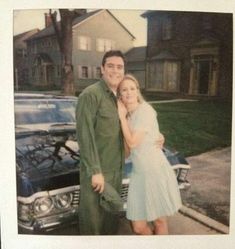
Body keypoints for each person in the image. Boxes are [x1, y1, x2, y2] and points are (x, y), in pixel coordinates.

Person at [117, 74, 182, 235]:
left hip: (155, 171)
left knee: (160, 221)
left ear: (138, 91)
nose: (129, 92)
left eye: (132, 88)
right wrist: (123, 120)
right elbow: (127, 153)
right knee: (138, 227)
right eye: (124, 90)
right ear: (119, 95)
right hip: (139, 175)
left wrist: (121, 119)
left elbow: (133, 142)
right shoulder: (128, 117)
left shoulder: (145, 110)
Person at [75, 50, 126, 235]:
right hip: (96, 174)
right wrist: (95, 171)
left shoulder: (120, 97)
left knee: (111, 224)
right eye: (110, 66)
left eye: (119, 67)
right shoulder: (90, 95)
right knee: (93, 226)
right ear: (102, 69)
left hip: (116, 171)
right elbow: (85, 135)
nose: (115, 71)